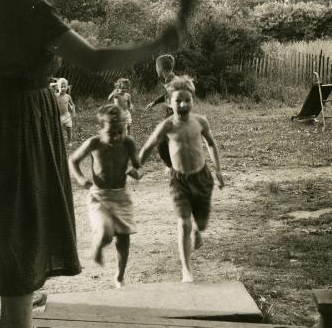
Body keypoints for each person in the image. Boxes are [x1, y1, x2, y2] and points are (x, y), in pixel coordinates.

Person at [0, 0, 195, 328]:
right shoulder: (32, 8)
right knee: (25, 219)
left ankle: (12, 325)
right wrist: (156, 43)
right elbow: (94, 60)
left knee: (9, 216)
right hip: (22, 119)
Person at [139, 76, 224, 283]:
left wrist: (218, 170)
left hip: (202, 177)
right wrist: (135, 167)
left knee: (201, 224)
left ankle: (198, 230)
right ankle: (186, 271)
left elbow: (211, 144)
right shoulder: (166, 126)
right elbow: (147, 148)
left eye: (187, 100)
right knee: (183, 222)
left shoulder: (201, 122)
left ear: (193, 100)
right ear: (170, 102)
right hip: (179, 181)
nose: (183, 104)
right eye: (178, 101)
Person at [69, 104, 142, 287]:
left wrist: (136, 172)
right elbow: (73, 160)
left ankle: (119, 275)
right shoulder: (94, 143)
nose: (117, 136)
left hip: (121, 196)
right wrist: (80, 178)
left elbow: (138, 165)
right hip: (99, 196)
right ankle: (97, 247)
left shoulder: (128, 143)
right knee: (106, 232)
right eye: (111, 132)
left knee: (123, 238)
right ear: (100, 129)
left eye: (121, 131)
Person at [145, 54, 177, 167]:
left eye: (156, 67)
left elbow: (176, 98)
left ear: (161, 69)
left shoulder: (172, 82)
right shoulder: (169, 79)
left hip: (174, 115)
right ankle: (175, 167)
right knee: (166, 142)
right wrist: (154, 103)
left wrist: (174, 114)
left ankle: (173, 167)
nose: (156, 69)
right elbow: (166, 95)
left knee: (162, 142)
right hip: (171, 115)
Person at [55, 77, 75, 146]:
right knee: (58, 130)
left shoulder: (68, 96)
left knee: (69, 129)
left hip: (67, 115)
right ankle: (59, 142)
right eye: (61, 87)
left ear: (67, 87)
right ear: (58, 87)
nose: (63, 88)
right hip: (59, 116)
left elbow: (72, 104)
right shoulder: (56, 96)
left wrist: (73, 111)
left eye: (65, 86)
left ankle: (69, 141)